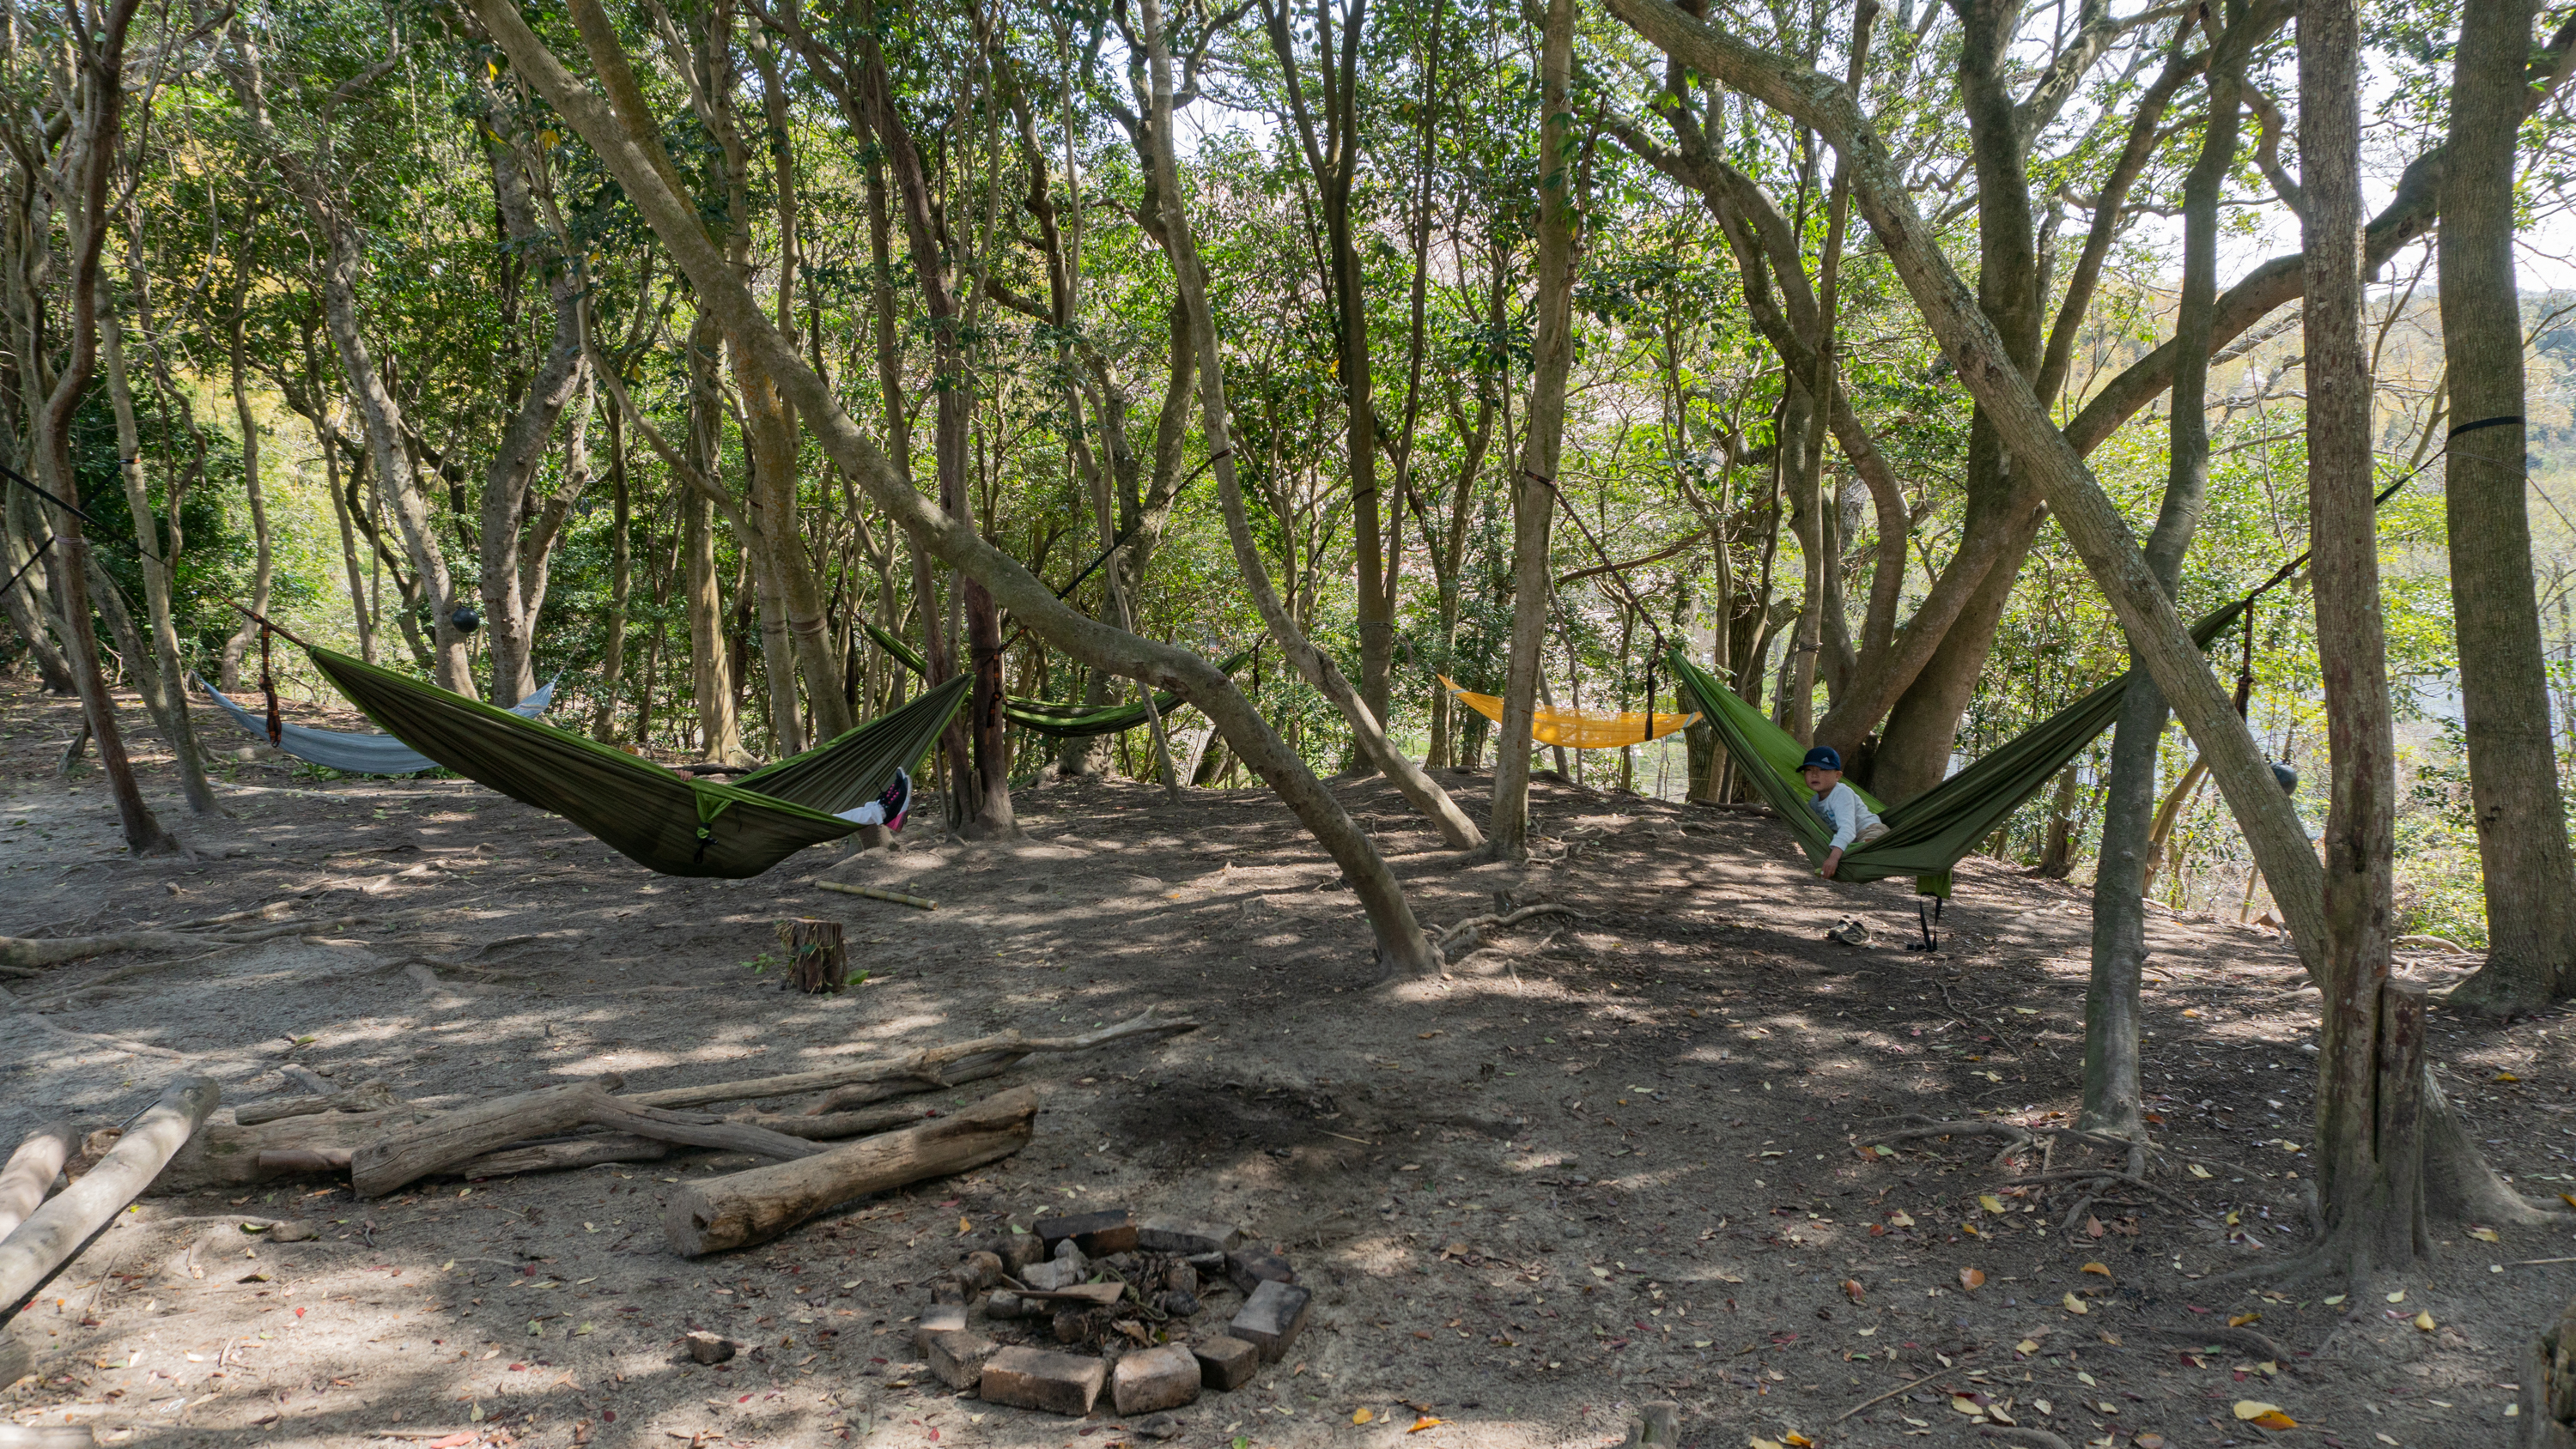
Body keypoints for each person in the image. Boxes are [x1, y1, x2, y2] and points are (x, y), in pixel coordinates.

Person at [1800, 746, 1886, 879]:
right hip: (1850, 841)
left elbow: (1848, 829)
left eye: (1822, 769)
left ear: (1837, 775)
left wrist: (1833, 858)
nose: (1814, 774)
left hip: (1870, 830)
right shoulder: (1814, 802)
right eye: (1809, 770)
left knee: (1867, 847)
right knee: (1852, 853)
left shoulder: (1841, 793)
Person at [835, 767, 914, 833]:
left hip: (825, 824)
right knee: (835, 821)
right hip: (824, 826)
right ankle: (883, 812)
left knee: (842, 817)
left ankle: (883, 810)